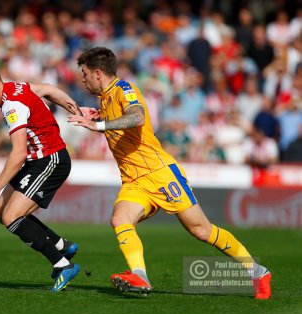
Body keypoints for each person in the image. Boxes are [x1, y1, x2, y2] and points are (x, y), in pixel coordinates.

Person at [67, 47, 271, 299]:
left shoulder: (124, 89)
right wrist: (99, 115)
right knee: (120, 219)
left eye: (85, 73)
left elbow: (137, 117)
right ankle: (140, 276)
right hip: (134, 180)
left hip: (159, 173)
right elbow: (119, 121)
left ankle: (258, 272)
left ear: (98, 73)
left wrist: (100, 124)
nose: (83, 79)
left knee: (201, 230)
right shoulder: (105, 99)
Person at [0, 60, 80, 292]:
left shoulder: (12, 106)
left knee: (11, 216)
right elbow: (48, 89)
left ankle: (62, 264)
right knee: (0, 212)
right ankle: (61, 244)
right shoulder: (16, 88)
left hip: (50, 159)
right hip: (37, 160)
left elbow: (18, 154)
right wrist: (75, 108)